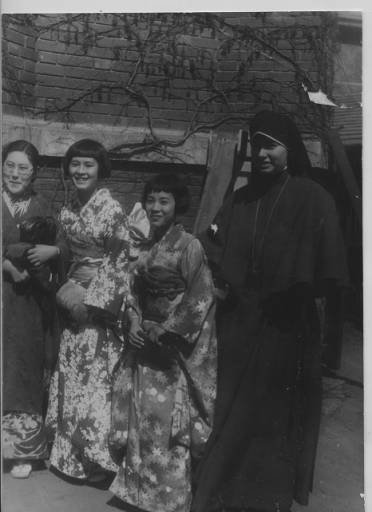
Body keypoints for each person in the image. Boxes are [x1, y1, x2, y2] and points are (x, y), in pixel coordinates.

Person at [192, 110, 349, 512]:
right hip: (240, 324)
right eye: (257, 145)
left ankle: (267, 498)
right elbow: (211, 250)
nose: (262, 153)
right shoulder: (241, 198)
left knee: (275, 416)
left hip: (288, 327)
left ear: (289, 150)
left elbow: (331, 273)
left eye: (271, 145)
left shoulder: (314, 197)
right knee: (231, 409)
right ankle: (223, 493)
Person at [109, 173, 217, 512]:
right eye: (151, 200)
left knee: (166, 422)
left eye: (164, 201)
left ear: (177, 206)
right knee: (141, 417)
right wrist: (134, 320)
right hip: (144, 342)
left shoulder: (189, 245)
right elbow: (133, 291)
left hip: (171, 347)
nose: (155, 207)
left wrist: (167, 329)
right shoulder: (144, 244)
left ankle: (167, 499)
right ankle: (137, 492)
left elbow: (200, 296)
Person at [45, 139, 131, 482]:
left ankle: (97, 462)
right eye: (75, 164)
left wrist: (91, 301)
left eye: (88, 165)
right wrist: (66, 291)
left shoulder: (112, 211)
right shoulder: (68, 210)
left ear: (101, 171)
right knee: (71, 375)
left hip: (97, 307)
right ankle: (69, 457)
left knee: (95, 378)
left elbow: (119, 261)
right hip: (72, 296)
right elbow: (67, 256)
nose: (80, 171)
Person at [2, 140, 68, 479]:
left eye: (23, 168)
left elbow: (62, 246)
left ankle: (19, 452)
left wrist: (50, 252)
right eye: (10, 165)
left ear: (34, 172)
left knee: (23, 370)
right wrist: (4, 265)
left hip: (28, 302)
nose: (15, 173)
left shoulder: (42, 205)